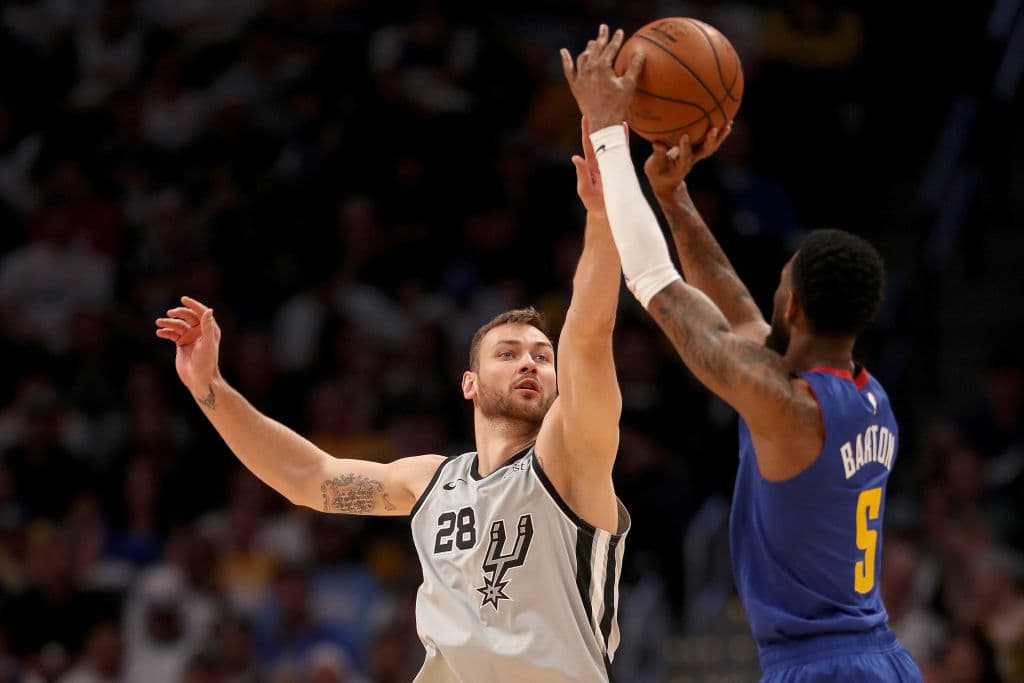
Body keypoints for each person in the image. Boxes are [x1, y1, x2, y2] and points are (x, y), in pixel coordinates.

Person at [153, 109, 630, 681]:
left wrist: (602, 219)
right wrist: (211, 389)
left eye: (541, 356)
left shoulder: (572, 457)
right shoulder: (431, 482)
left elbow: (587, 336)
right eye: (508, 353)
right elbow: (310, 479)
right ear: (469, 385)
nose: (530, 361)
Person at [561, 24, 924, 682]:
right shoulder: (864, 398)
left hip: (824, 668)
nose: (766, 294)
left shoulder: (786, 405)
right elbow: (735, 310)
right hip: (878, 658)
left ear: (795, 308)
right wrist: (672, 196)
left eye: (780, 282)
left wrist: (610, 132)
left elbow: (658, 287)